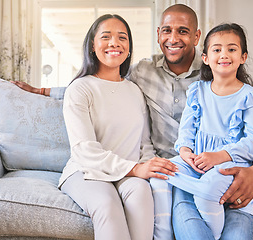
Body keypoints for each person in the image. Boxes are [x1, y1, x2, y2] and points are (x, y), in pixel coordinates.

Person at [11, 4, 253, 239]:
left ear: (197, 37)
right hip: (175, 171)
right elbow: (101, 85)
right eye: (166, 31)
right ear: (158, 35)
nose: (173, 38)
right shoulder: (141, 73)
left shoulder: (219, 70)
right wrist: (43, 91)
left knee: (237, 226)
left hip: (227, 170)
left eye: (183, 31)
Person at [151, 23, 253, 240]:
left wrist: (219, 156)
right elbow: (187, 129)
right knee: (163, 172)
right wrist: (185, 151)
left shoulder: (248, 96)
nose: (224, 54)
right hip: (197, 161)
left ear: (243, 57)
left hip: (230, 164)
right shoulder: (197, 91)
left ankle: (213, 232)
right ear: (206, 57)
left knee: (211, 187)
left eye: (232, 49)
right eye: (217, 49)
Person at [58, 14, 177, 240]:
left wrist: (151, 167)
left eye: (122, 37)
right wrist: (135, 169)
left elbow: (144, 144)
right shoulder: (80, 89)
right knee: (107, 205)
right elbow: (84, 150)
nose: (115, 43)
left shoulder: (134, 90)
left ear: (129, 48)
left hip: (128, 172)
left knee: (142, 194)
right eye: (106, 37)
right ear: (93, 45)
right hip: (87, 172)